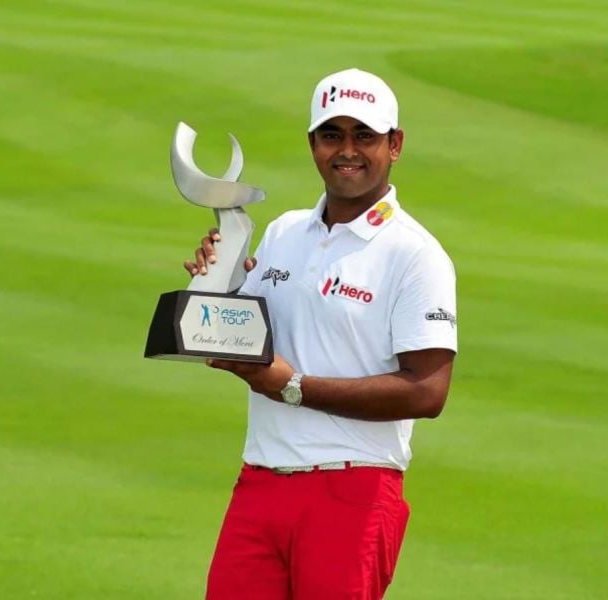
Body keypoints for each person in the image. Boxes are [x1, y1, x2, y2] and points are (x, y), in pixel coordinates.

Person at [183, 68, 457, 600]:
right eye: (332, 134)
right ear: (312, 143)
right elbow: (246, 337)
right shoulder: (284, 232)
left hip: (353, 489)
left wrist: (293, 386)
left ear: (394, 144)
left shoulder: (416, 254)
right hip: (260, 481)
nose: (347, 150)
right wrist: (215, 288)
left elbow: (427, 391)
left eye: (365, 135)